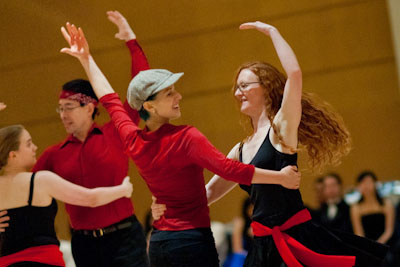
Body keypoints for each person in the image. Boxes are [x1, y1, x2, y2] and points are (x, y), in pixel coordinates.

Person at [60, 21, 301, 267]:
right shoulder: (186, 138)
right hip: (191, 243)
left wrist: (86, 59)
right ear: (149, 106)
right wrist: (280, 177)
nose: (179, 96)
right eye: (169, 94)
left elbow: (109, 98)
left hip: (159, 243)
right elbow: (230, 170)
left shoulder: (132, 139)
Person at [200, 21, 389, 266]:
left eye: (245, 86)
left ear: (266, 88)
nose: (238, 93)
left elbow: (295, 75)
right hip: (262, 249)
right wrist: (171, 206)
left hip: (297, 239)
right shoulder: (240, 149)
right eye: (236, 88)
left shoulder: (281, 129)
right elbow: (209, 192)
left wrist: (272, 32)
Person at [7, 11, 149, 267]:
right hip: (84, 245)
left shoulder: (115, 132)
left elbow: (142, 87)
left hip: (126, 238)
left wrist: (130, 39)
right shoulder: (53, 154)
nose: (63, 114)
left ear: (90, 107)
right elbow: (12, 182)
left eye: (69, 107)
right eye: (60, 108)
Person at [0, 124, 132, 267]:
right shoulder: (40, 180)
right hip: (45, 261)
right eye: (28, 144)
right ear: (13, 155)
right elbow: (91, 199)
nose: (35, 147)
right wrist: (123, 189)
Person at [350, 171, 395, 244]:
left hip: (386, 244)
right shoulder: (355, 207)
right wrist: (369, 246)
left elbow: (389, 231)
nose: (366, 186)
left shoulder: (386, 203)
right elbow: (358, 233)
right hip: (366, 245)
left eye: (369, 182)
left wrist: (378, 244)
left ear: (375, 184)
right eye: (362, 183)